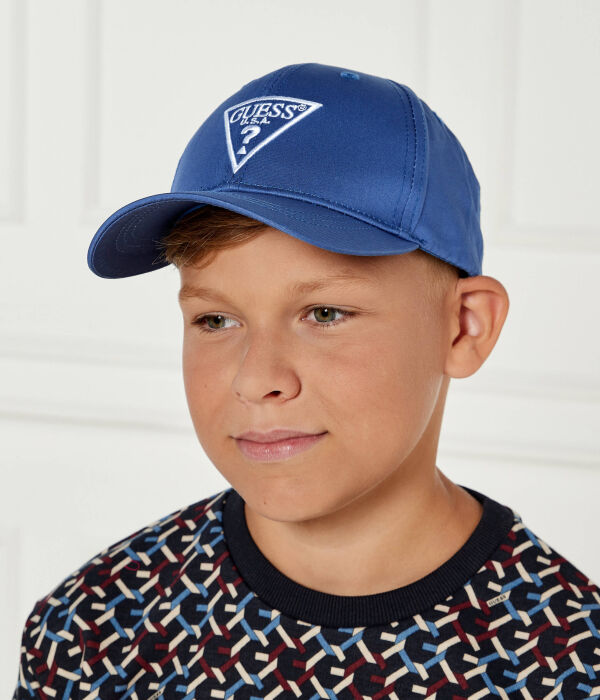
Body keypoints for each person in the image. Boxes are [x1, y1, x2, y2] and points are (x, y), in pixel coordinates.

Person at [13, 62, 599, 699]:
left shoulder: (572, 664)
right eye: (216, 319)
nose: (257, 379)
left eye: (324, 314)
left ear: (463, 328)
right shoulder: (93, 633)